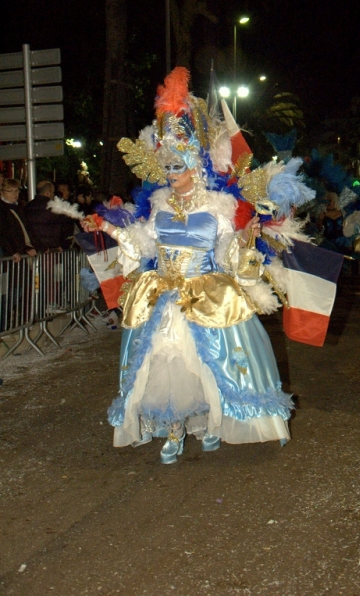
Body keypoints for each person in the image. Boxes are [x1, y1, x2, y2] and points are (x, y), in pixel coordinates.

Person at [83, 67, 313, 464]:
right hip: (162, 293)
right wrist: (105, 226)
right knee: (165, 361)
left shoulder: (218, 207)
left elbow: (226, 254)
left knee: (206, 362)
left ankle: (208, 420)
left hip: (206, 291)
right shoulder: (157, 206)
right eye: (167, 167)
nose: (172, 174)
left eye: (179, 166)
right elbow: (140, 245)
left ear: (196, 167)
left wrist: (244, 238)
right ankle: (173, 430)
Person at [24, 180, 74, 252]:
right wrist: (63, 245)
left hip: (34, 250)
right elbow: (64, 228)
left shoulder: (27, 207)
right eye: (53, 193)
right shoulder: (55, 209)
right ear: (47, 193)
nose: (53, 195)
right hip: (52, 249)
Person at [0, 178, 37, 261]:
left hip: (24, 251)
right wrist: (12, 251)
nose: (14, 194)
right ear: (2, 192)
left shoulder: (19, 207)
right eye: (10, 191)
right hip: (13, 254)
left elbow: (28, 230)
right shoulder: (2, 209)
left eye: (16, 190)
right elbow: (3, 234)